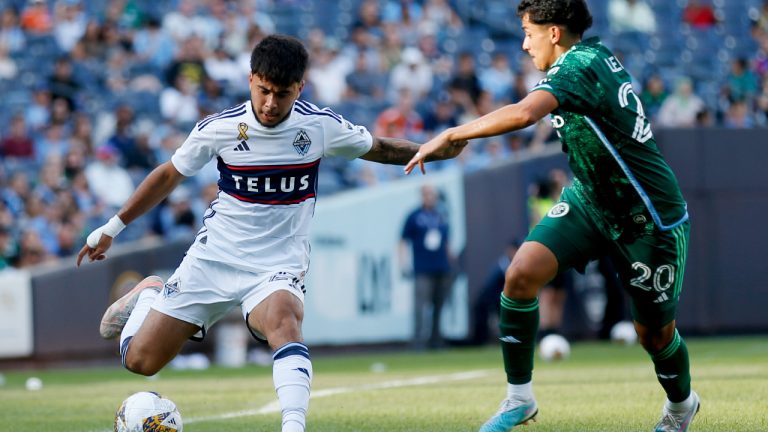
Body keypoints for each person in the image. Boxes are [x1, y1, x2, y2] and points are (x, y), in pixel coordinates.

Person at [76, 35, 466, 432]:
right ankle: (149, 294)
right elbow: (167, 176)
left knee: (284, 321)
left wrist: (435, 147)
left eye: (282, 94)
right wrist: (112, 227)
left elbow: (380, 148)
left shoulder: (319, 126)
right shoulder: (221, 128)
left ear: (299, 87)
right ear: (251, 80)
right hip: (214, 259)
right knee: (140, 362)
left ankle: (293, 426)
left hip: (277, 264)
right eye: (263, 90)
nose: (270, 104)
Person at [406, 1, 699, 431]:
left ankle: (682, 404)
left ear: (554, 33)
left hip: (648, 216)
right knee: (520, 273)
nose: (525, 44)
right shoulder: (591, 56)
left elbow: (525, 113)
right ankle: (518, 399)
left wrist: (453, 133)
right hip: (592, 201)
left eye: (529, 33)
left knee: (654, 335)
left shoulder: (578, 65)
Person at [399, 184, 453, 350]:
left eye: (433, 194)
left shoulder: (441, 215)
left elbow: (446, 242)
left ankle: (436, 340)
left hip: (441, 266)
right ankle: (418, 341)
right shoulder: (414, 216)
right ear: (422, 196)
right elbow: (403, 240)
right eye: (428, 194)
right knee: (421, 306)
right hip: (423, 268)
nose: (431, 197)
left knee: (439, 305)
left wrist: (451, 262)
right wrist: (403, 263)